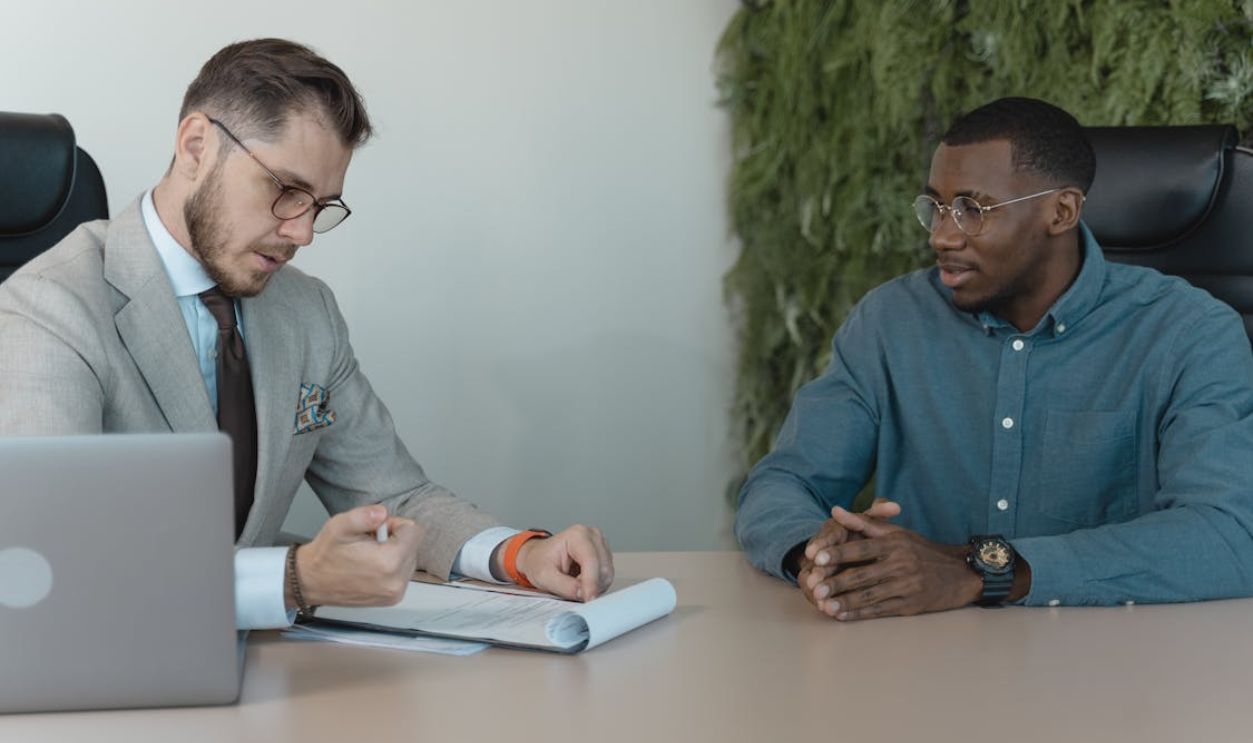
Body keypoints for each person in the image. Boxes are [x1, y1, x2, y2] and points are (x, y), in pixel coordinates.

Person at [0, 38, 613, 629]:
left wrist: (519, 555)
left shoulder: (306, 311)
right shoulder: (49, 307)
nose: (302, 234)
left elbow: (396, 496)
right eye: (286, 191)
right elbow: (55, 563)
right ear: (195, 146)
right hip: (111, 688)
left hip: (268, 675)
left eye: (320, 205)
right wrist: (296, 580)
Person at [735, 97, 1253, 620]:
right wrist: (825, 555)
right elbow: (783, 484)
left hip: (1110, 665)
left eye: (971, 210)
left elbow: (1230, 535)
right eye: (935, 207)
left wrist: (976, 570)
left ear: (1061, 212)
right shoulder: (891, 322)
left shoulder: (1189, 334)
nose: (942, 235)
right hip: (916, 655)